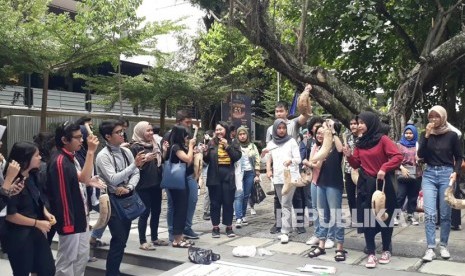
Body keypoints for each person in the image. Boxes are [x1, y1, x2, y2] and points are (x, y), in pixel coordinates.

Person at [343, 111, 403, 269]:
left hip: (382, 184)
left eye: (362, 122)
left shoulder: (383, 139)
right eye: (358, 122)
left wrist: (384, 167)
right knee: (367, 218)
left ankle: (386, 250)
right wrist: (349, 155)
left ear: (371, 123)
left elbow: (397, 156)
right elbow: (356, 164)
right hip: (365, 184)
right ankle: (371, 252)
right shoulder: (359, 142)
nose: (359, 125)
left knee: (385, 217)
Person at [48, 121, 105, 276]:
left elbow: (83, 178)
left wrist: (88, 179)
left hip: (80, 215)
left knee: (81, 257)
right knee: (67, 260)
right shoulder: (60, 160)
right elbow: (62, 197)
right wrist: (91, 152)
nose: (81, 140)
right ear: (65, 140)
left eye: (81, 137)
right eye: (78, 137)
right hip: (70, 219)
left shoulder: (70, 157)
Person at [96, 120, 143, 276]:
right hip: (111, 200)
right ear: (108, 136)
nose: (122, 134)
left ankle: (114, 270)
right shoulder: (103, 156)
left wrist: (129, 187)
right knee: (119, 238)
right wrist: (133, 165)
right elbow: (113, 178)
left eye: (122, 131)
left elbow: (136, 173)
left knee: (122, 240)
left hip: (126, 197)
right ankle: (112, 272)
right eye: (118, 132)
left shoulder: (126, 152)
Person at [264, 85, 312, 234]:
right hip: (278, 168)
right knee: (278, 198)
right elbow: (268, 151)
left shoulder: (293, 123)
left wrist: (305, 95)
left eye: (281, 111)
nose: (279, 113)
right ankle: (279, 223)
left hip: (293, 165)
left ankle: (298, 224)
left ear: (286, 111)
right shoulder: (270, 129)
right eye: (276, 111)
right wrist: (268, 168)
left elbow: (306, 116)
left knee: (297, 195)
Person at [417, 106, 462, 262]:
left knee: (445, 214)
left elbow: (459, 156)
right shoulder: (426, 134)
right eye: (430, 117)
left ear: (443, 117)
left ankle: (443, 245)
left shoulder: (452, 135)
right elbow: (420, 154)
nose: (433, 120)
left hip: (446, 174)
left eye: (436, 117)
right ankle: (430, 248)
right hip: (429, 174)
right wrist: (427, 135)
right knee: (429, 214)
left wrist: (455, 172)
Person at [4, 142, 55, 275]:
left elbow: (37, 198)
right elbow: (10, 215)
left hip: (36, 230)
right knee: (23, 271)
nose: (40, 158)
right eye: (36, 155)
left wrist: (45, 211)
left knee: (47, 269)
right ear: (26, 158)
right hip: (19, 235)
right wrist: (37, 223)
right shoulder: (11, 181)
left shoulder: (33, 175)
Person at [307, 120, 347, 261]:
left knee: (336, 215)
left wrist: (334, 131)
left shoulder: (336, 145)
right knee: (322, 214)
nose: (322, 130)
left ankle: (340, 247)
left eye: (324, 127)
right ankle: (322, 245)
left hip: (333, 184)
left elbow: (341, 150)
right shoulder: (320, 147)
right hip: (320, 183)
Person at [130, 121, 167, 250]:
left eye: (151, 130)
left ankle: (155, 237)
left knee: (156, 211)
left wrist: (164, 152)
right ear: (140, 132)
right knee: (144, 212)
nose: (151, 133)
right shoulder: (135, 147)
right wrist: (145, 160)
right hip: (143, 185)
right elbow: (133, 167)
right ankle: (142, 241)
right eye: (148, 131)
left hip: (156, 183)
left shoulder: (154, 144)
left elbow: (160, 161)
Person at [164, 110, 200, 240]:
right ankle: (172, 232)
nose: (189, 125)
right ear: (179, 122)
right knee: (173, 204)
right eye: (187, 122)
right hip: (175, 175)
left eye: (190, 122)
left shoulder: (187, 135)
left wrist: (194, 150)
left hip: (188, 174)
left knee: (192, 200)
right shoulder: (169, 136)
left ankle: (186, 227)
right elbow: (170, 156)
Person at [204, 121, 242, 238]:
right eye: (217, 130)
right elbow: (206, 160)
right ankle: (215, 227)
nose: (219, 132)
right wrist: (204, 152)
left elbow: (236, 157)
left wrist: (227, 146)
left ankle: (229, 227)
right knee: (215, 203)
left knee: (228, 202)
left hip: (228, 176)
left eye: (221, 129)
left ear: (226, 130)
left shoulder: (233, 142)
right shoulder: (211, 143)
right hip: (214, 175)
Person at [266, 119, 301, 244]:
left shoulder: (291, 141)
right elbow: (267, 157)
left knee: (286, 203)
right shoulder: (271, 143)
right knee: (282, 203)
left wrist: (291, 161)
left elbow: (298, 158)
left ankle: (285, 231)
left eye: (283, 128)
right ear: (275, 129)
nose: (281, 130)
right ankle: (287, 228)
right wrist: (268, 169)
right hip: (278, 177)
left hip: (290, 177)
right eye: (279, 128)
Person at [234, 126, 260, 228]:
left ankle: (243, 215)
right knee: (239, 194)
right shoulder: (235, 146)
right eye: (240, 134)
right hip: (238, 173)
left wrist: (257, 172)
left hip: (249, 172)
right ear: (237, 136)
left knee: (246, 195)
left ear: (247, 135)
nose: (242, 136)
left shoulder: (252, 146)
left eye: (244, 134)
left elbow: (257, 158)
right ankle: (238, 217)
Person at [395, 124, 421, 226]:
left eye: (410, 133)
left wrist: (420, 158)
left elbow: (424, 158)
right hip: (403, 173)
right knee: (400, 196)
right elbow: (394, 158)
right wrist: (401, 168)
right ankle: (396, 216)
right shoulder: (399, 145)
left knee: (413, 196)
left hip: (416, 173)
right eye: (406, 133)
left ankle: (410, 215)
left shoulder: (418, 145)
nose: (408, 135)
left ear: (414, 134)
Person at [343, 117, 358, 226]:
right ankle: (354, 219)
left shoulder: (364, 137)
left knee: (363, 195)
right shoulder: (347, 137)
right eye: (351, 123)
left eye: (355, 123)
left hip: (361, 170)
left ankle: (363, 218)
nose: (353, 126)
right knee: (350, 196)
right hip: (348, 170)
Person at [201, 130, 214, 220]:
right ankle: (205, 211)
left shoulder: (213, 144)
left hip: (214, 171)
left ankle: (212, 209)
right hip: (206, 171)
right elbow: (202, 160)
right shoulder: (202, 145)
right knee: (208, 192)